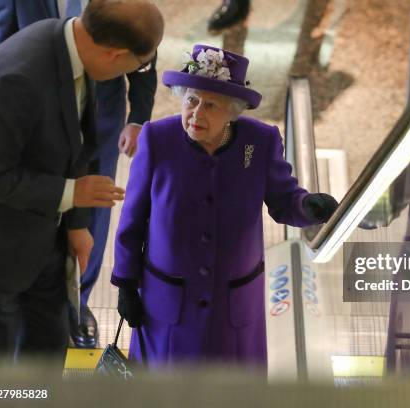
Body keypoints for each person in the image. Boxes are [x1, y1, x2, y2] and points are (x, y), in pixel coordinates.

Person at [111, 44, 338, 368]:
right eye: (191, 101)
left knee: (230, 391)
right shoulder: (157, 139)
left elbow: (284, 200)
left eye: (211, 105)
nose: (196, 113)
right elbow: (132, 219)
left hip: (233, 304)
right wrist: (125, 284)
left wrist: (308, 206)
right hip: (168, 302)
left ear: (232, 110)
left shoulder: (259, 142)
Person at [0, 0, 164, 366]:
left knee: (46, 358)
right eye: (138, 64)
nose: (139, 71)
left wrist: (77, 224)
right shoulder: (19, 80)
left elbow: (80, 140)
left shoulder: (74, 48)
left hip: (45, 243)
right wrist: (71, 193)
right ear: (115, 55)